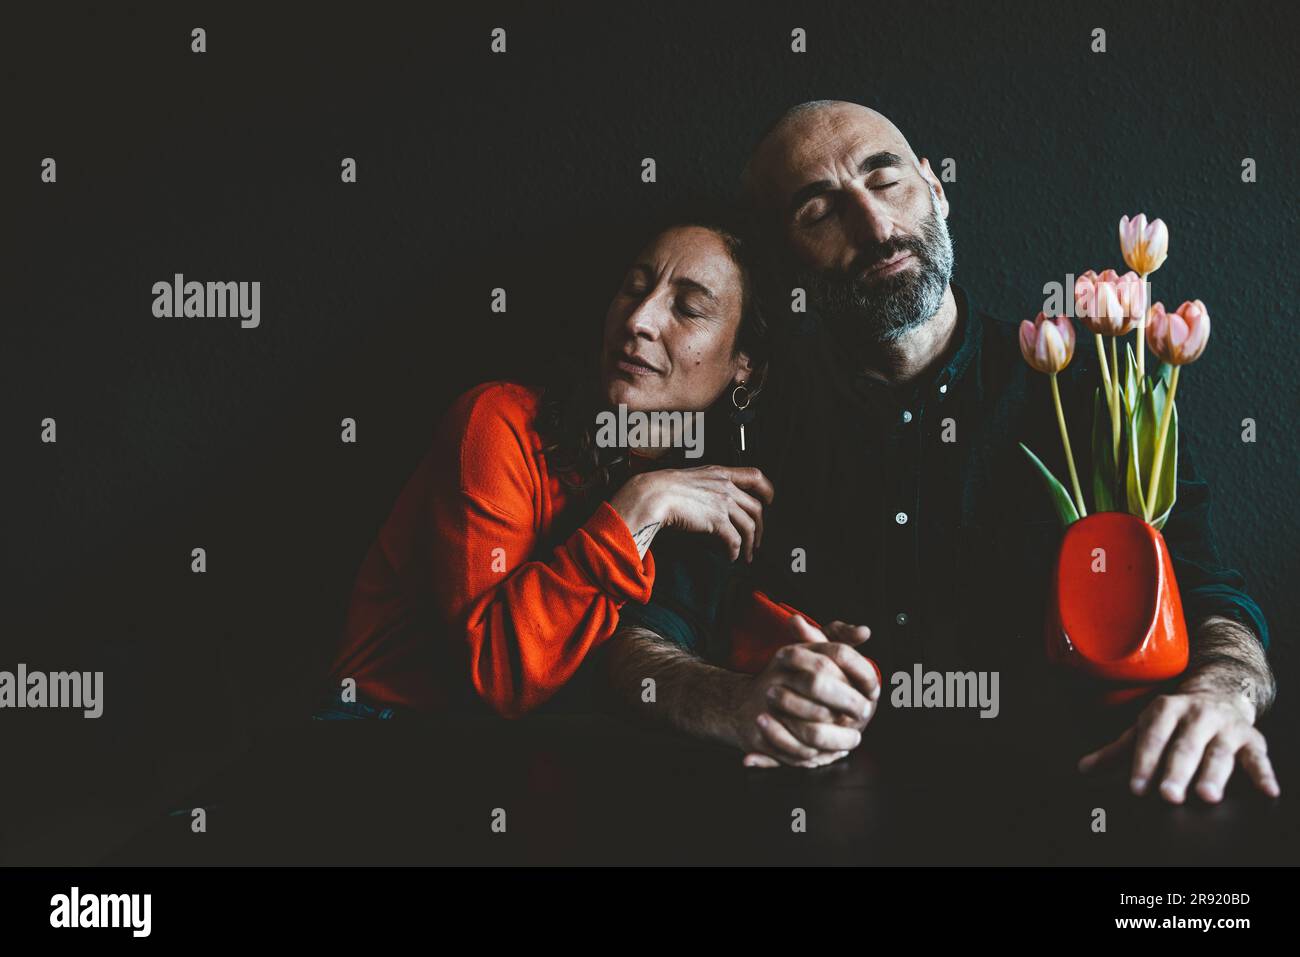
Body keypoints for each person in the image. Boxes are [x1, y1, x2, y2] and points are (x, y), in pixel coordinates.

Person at [607, 100, 1280, 804]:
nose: (875, 226)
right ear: (779, 259)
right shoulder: (750, 427)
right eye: (819, 210)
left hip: (1073, 805)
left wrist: (1219, 697)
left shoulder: (1095, 396)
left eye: (886, 179)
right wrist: (735, 703)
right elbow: (639, 642)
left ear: (937, 187)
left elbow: (1214, 598)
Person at [321, 213, 785, 719]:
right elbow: (495, 677)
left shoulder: (717, 481)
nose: (638, 320)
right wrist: (639, 507)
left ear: (746, 364)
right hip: (386, 733)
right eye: (633, 289)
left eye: (689, 309)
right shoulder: (498, 422)